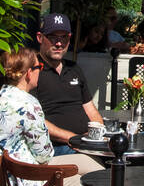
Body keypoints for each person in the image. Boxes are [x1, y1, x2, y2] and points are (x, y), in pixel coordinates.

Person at [0, 49, 142, 186]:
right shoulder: (28, 104)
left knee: (86, 161)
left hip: (4, 181)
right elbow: (44, 155)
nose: (41, 70)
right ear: (29, 73)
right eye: (39, 67)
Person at [33, 13, 105, 153]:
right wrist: (73, 139)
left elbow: (90, 109)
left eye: (63, 37)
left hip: (85, 143)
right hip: (56, 146)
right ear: (40, 38)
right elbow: (34, 120)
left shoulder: (74, 68)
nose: (59, 43)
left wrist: (98, 135)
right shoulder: (32, 72)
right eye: (53, 37)